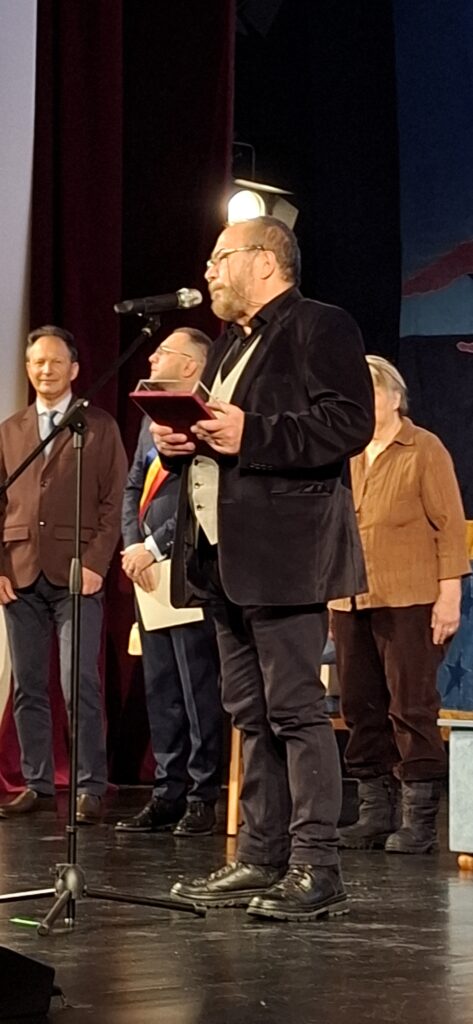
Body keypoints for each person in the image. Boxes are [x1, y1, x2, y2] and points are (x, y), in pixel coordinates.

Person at [150, 215, 374, 921]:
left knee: (296, 710)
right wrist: (181, 444)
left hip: (286, 554)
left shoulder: (319, 325)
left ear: (266, 261)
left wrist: (253, 432)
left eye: (221, 257)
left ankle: (317, 866)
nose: (209, 270)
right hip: (224, 557)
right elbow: (219, 442)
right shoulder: (227, 344)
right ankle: (260, 854)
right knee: (249, 712)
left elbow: (348, 423)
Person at [331, 355, 470, 854]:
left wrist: (450, 594)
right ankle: (374, 814)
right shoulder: (345, 452)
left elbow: (450, 526)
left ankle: (419, 822)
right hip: (349, 597)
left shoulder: (423, 447)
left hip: (410, 597)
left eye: (369, 391)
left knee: (411, 706)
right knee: (359, 705)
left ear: (394, 397)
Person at [0, 326, 127, 824]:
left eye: (55, 362)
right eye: (37, 362)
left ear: (74, 369)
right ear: (27, 369)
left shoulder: (96, 426)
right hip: (20, 571)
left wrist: (96, 563)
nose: (45, 370)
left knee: (80, 683)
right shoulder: (10, 430)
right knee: (28, 685)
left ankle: (89, 785)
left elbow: (113, 501)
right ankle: (35, 782)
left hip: (77, 571)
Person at [116, 328, 222, 836]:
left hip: (187, 567)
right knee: (161, 687)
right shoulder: (149, 418)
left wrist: (153, 546)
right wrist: (131, 545)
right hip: (146, 570)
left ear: (190, 365)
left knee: (197, 685)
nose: (153, 357)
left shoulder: (206, 416)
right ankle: (167, 792)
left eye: (164, 352)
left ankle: (203, 795)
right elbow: (133, 485)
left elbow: (199, 495)